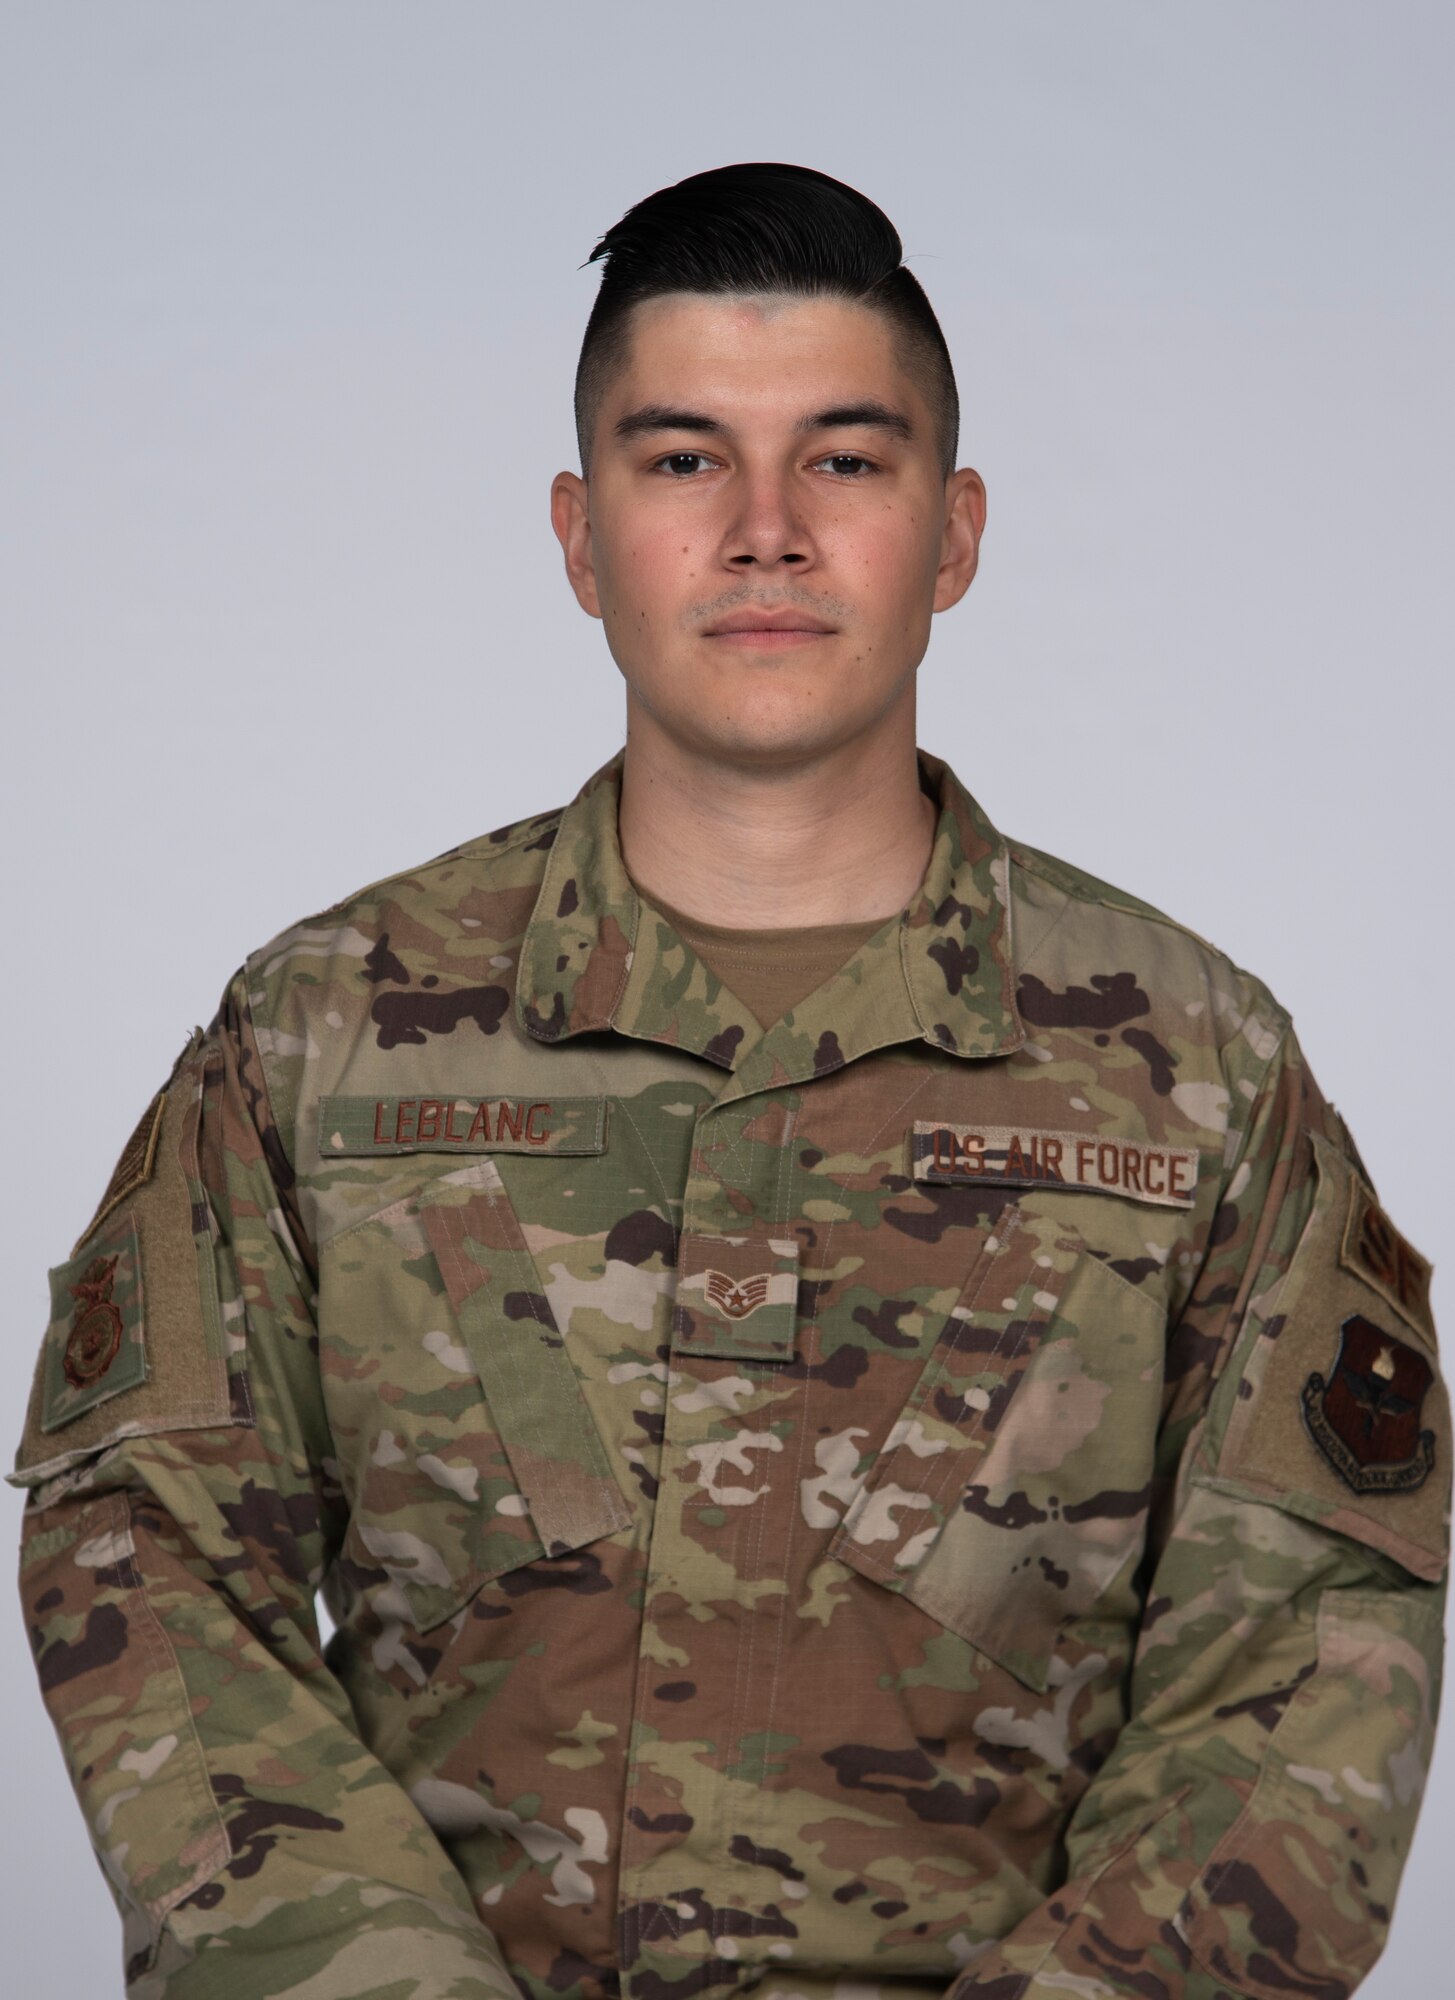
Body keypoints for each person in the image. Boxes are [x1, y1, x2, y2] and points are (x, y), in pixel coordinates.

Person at [12, 162, 1446, 2000]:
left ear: (956, 532)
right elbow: (147, 1564)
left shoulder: (1199, 1072)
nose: (765, 532)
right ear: (578, 532)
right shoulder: (324, 1036)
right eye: (683, 459)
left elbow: (1312, 1661)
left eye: (845, 461)